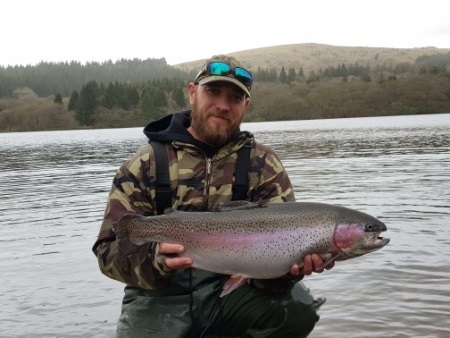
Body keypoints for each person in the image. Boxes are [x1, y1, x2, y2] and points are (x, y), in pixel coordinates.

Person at [93, 54, 334, 338]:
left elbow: (274, 264)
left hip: (232, 295)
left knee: (297, 310)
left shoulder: (263, 164)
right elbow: (108, 253)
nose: (222, 105)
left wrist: (289, 271)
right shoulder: (145, 164)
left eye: (234, 97)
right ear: (192, 93)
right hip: (158, 297)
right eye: (213, 92)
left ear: (245, 105)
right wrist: (156, 260)